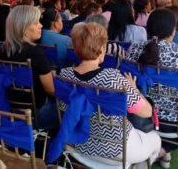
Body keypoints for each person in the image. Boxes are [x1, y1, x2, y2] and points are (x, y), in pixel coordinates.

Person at [60, 23, 160, 167]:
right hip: (116, 151)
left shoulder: (64, 75)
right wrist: (134, 89)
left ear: (75, 48)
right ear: (102, 48)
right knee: (155, 139)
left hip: (76, 143)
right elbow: (146, 112)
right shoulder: (113, 79)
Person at [126, 9, 178, 168]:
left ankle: (160, 149)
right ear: (174, 29)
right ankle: (163, 149)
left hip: (143, 117)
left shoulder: (135, 49)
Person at [0, 5, 56, 129]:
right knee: (68, 111)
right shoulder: (35, 53)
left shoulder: (3, 53)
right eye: (36, 23)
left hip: (10, 110)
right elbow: (51, 89)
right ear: (23, 28)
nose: (41, 25)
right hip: (36, 113)